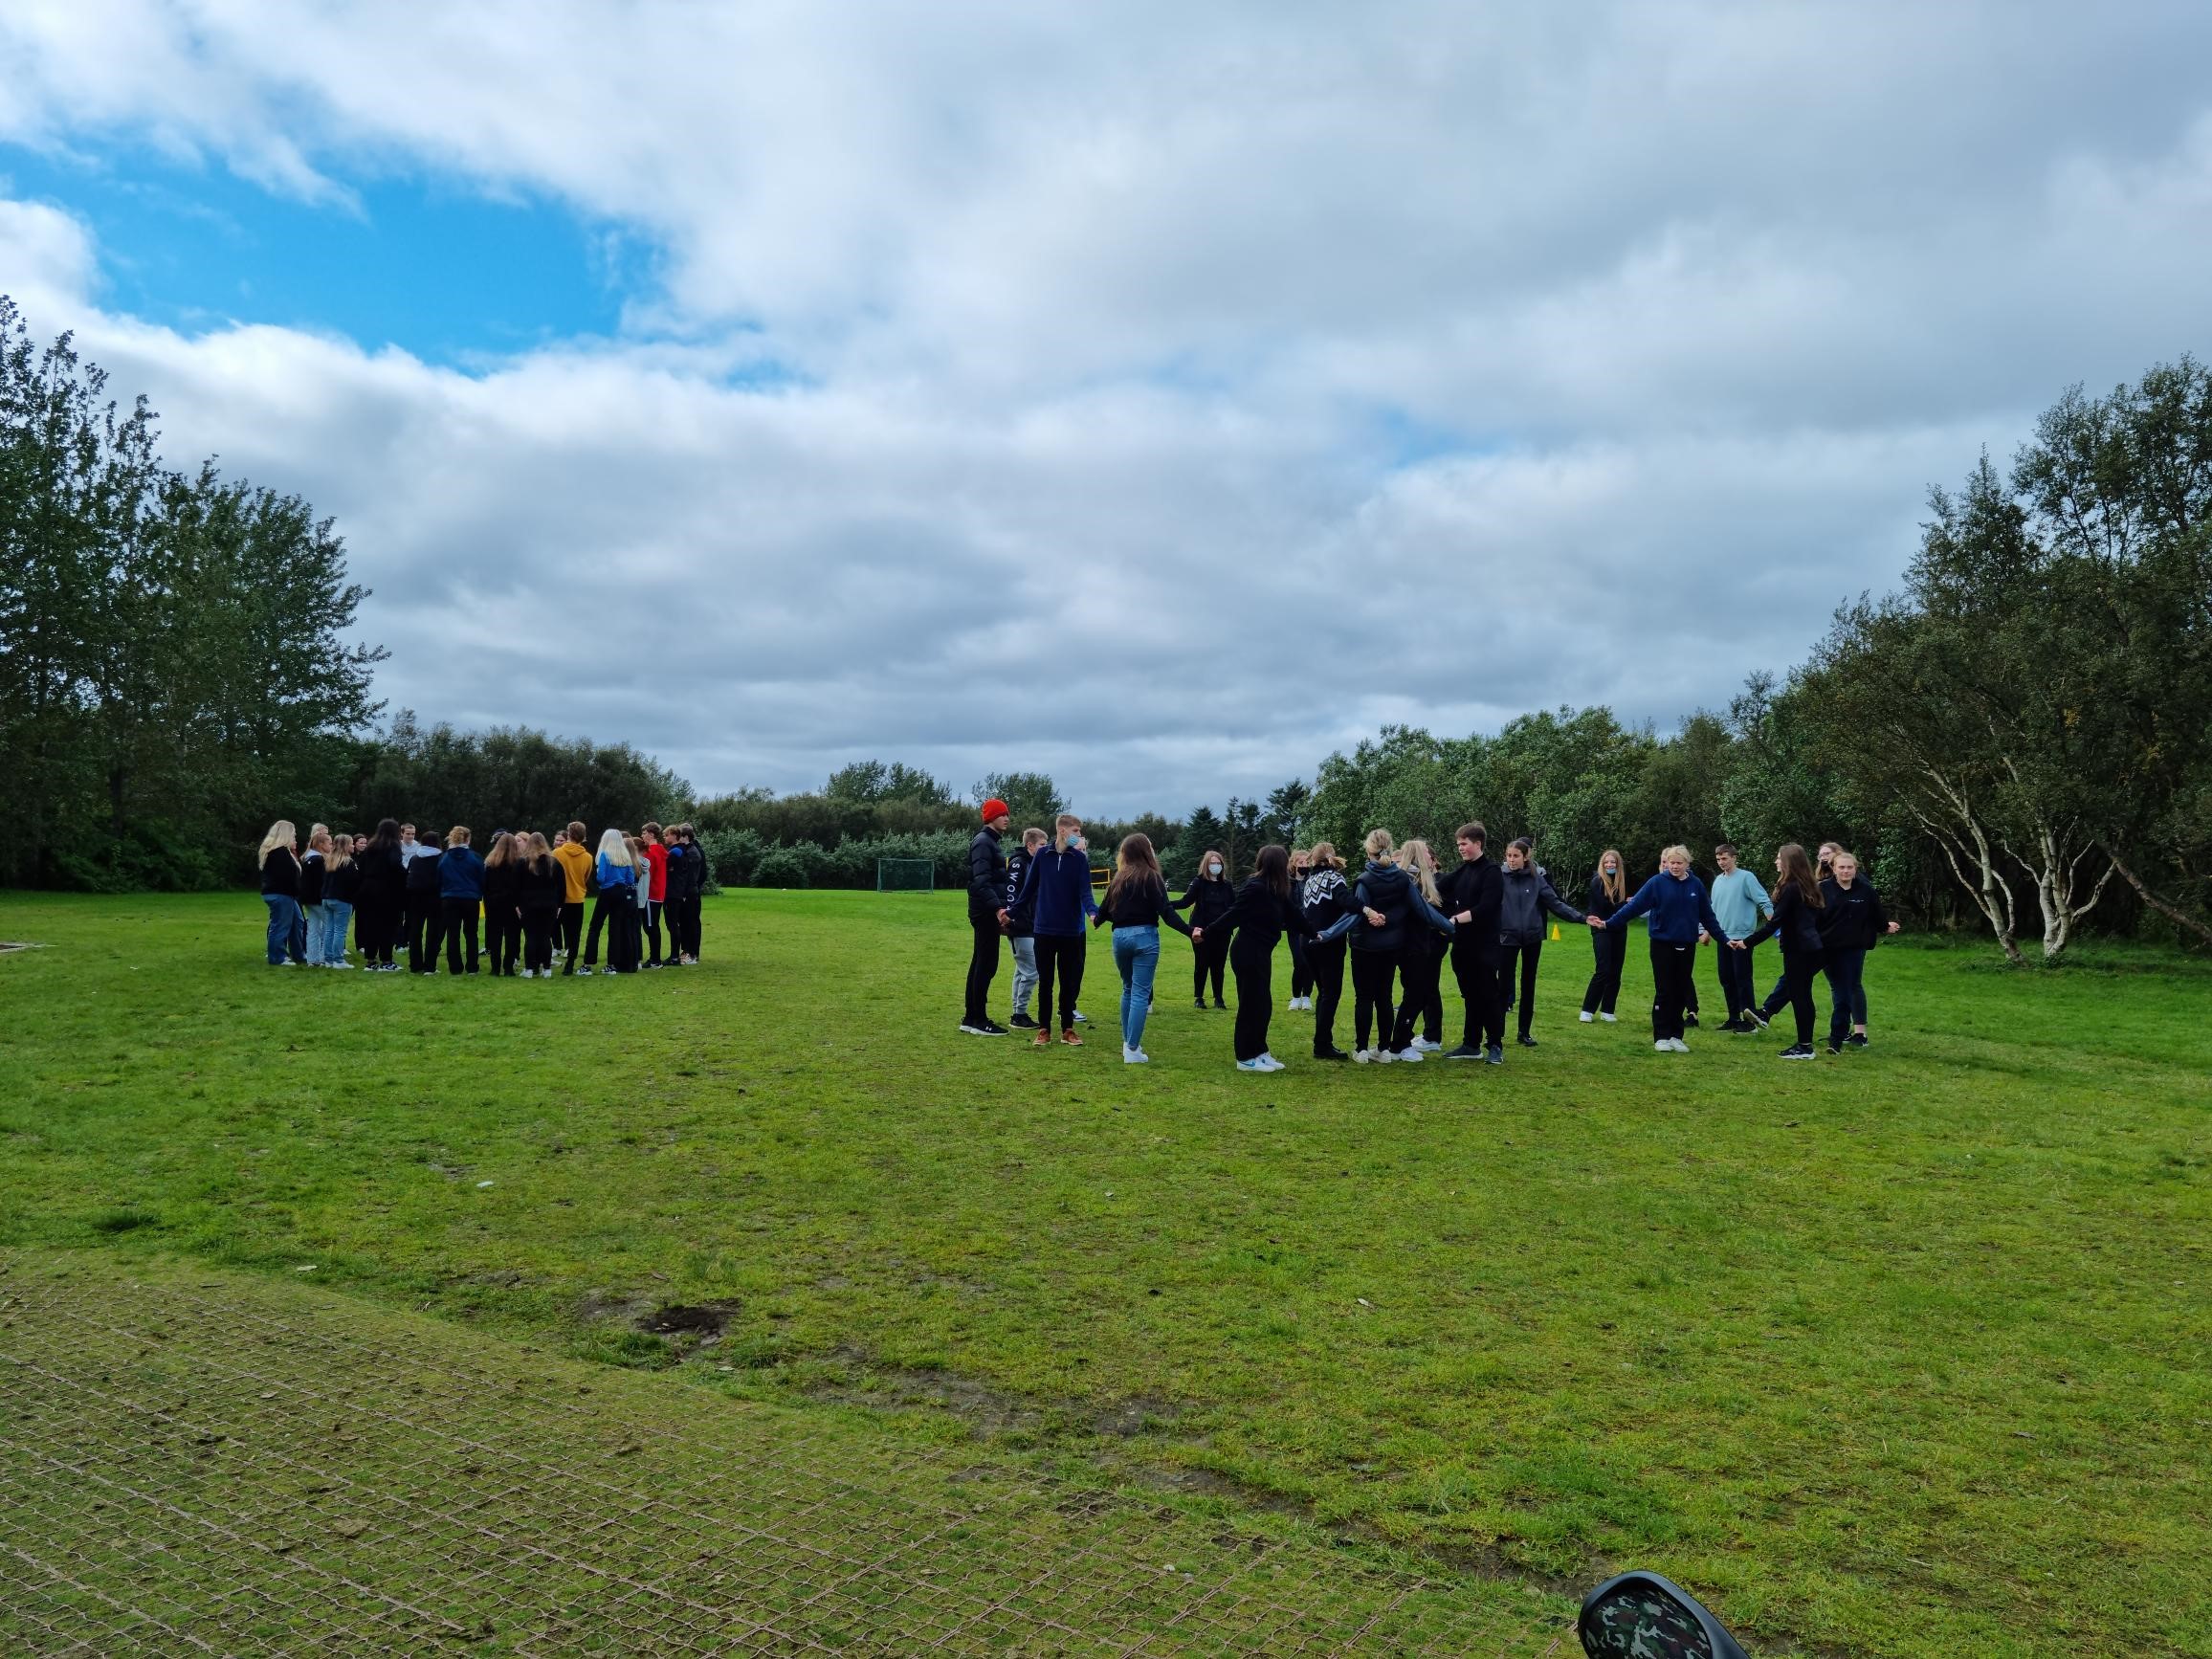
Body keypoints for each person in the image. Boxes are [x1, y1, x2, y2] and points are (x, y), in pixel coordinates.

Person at [1314, 829, 1454, 1063]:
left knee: (1364, 998)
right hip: (1391, 946)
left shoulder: (1365, 880)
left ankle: (1361, 1049)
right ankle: (1384, 1049)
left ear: (1369, 851)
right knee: (1385, 998)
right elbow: (1423, 909)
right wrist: (1449, 926)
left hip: (1364, 946)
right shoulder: (1403, 879)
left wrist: (1327, 933)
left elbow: (1355, 915)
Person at [1588, 845, 1730, 1052]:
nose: (1674, 866)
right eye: (1671, 863)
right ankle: (1661, 1036)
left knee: (1681, 990)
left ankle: (1676, 1036)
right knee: (1664, 990)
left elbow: (1708, 916)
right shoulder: (1657, 883)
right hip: (1662, 944)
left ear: (1687, 864)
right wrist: (1608, 924)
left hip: (1687, 944)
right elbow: (1633, 907)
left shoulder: (1696, 885)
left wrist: (1725, 940)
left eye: (1679, 863)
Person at [1198, 845, 1306, 1071]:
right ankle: (1245, 1057)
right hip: (1247, 951)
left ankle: (1259, 1050)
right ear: (1277, 864)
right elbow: (1233, 914)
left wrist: (1315, 933)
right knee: (1250, 1004)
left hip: (1262, 952)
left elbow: (1294, 914)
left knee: (1263, 1004)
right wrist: (1206, 933)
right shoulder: (1255, 887)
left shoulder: (1277, 888)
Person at [1089, 832, 1194, 1062]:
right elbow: (1166, 912)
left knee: (1127, 989)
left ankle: (1127, 1042)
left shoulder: (1118, 879)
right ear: (1146, 851)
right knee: (1140, 993)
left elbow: (1103, 911)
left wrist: (1096, 920)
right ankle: (1132, 1048)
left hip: (1120, 937)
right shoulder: (1152, 877)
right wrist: (1190, 931)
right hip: (1144, 936)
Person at [1008, 813, 1095, 1046]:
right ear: (1062, 831)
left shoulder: (1079, 859)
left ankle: (1068, 1029)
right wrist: (1012, 913)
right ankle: (1044, 1029)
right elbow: (1028, 889)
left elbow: (1085, 892)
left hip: (1071, 931)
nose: (1079, 835)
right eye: (1076, 831)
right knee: (1045, 983)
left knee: (1068, 983)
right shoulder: (1042, 856)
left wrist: (1093, 912)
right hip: (1044, 930)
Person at [1738, 843, 1827, 1059]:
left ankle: (1805, 1047)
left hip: (1799, 949)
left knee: (1800, 997)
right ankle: (1804, 1045)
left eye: (1779, 857)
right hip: (1811, 948)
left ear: (1789, 862)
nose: (1776, 861)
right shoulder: (1808, 885)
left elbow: (1774, 923)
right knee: (1801, 995)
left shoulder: (1791, 888)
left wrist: (1747, 942)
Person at [1495, 837, 1585, 1046]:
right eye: (1509, 856)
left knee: (1528, 985)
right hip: (1506, 937)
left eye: (1516, 856)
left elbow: (1556, 904)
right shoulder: (1499, 877)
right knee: (1503, 986)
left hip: (1532, 938)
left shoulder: (1537, 879)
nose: (1511, 860)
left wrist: (1581, 918)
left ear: (1525, 857)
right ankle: (1496, 1033)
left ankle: (1524, 1032)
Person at [1439, 823, 1506, 1063]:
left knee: (1488, 994)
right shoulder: (1463, 871)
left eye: (1464, 844)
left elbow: (1487, 907)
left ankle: (1495, 1044)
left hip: (1484, 946)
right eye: (1458, 844)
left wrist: (1455, 919)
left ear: (1478, 843)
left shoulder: (1492, 872)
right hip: (1462, 946)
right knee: (1470, 995)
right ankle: (1471, 1044)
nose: (1460, 848)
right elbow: (1437, 888)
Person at [1820, 850, 1898, 1051]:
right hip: (1827, 946)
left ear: (1855, 869)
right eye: (1841, 867)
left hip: (1854, 948)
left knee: (1850, 987)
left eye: (1849, 867)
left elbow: (1877, 914)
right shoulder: (1823, 889)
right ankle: (1841, 1032)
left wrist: (1886, 926)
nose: (1845, 871)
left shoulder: (1865, 891)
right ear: (1834, 869)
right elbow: (1813, 916)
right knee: (1837, 987)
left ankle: (1853, 1034)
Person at [1297, 842, 1357, 1060]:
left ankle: (1322, 1042)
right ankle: (1322, 1044)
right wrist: (1366, 908)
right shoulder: (1334, 878)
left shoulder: (1310, 880)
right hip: (1328, 943)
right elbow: (1346, 901)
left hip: (1308, 941)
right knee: (1331, 994)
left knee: (1323, 992)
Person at [1390, 839, 1450, 1054]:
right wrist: (1449, 927)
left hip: (1419, 943)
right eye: (1425, 851)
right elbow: (1424, 914)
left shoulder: (1414, 880)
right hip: (1414, 945)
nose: (1429, 854)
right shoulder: (1410, 881)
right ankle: (1401, 1043)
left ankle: (1408, 1039)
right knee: (1417, 994)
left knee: (1420, 992)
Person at [1708, 842, 1774, 1031]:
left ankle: (1749, 1022)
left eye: (1724, 858)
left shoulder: (1746, 877)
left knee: (1742, 978)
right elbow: (1713, 909)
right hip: (1723, 937)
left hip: (1742, 938)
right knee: (1726, 978)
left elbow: (1764, 901)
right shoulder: (1718, 881)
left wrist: (1774, 926)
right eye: (1718, 859)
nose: (1721, 862)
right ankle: (1734, 1018)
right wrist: (1707, 932)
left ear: (1734, 858)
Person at [962, 799, 1014, 1035]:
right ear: (991, 817)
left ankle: (970, 1017)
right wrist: (998, 909)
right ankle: (978, 1020)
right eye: (1002, 814)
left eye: (1007, 814)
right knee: (985, 964)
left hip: (985, 910)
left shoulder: (990, 842)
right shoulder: (984, 842)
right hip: (984, 912)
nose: (1007, 818)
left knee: (980, 963)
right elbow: (982, 880)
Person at [1169, 850, 1236, 1008]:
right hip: (1200, 931)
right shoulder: (1198, 882)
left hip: (1222, 931)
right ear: (1206, 865)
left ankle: (1218, 998)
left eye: (1218, 863)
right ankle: (1199, 997)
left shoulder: (1227, 885)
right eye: (1213, 863)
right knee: (1201, 963)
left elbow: (1234, 907)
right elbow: (1185, 902)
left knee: (1219, 965)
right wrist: (1165, 905)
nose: (1216, 866)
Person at [575, 828, 636, 974]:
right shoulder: (625, 857)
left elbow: (601, 878)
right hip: (621, 892)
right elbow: (630, 879)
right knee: (615, 929)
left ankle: (588, 964)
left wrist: (601, 876)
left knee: (595, 927)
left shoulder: (605, 855)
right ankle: (612, 965)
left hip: (607, 891)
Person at [1580, 848, 1630, 1024]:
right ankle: (1587, 1010)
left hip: (1619, 929)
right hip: (1601, 928)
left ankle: (1608, 1010)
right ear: (1602, 864)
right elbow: (1605, 906)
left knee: (1616, 970)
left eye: (1613, 862)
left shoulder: (1622, 881)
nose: (1609, 865)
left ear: (1618, 864)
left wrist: (1626, 905)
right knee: (1603, 969)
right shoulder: (1597, 882)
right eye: (1606, 862)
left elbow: (1623, 906)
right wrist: (1626, 904)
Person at [1005, 827, 1049, 1029]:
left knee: (1022, 971)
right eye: (1042, 844)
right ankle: (1019, 1014)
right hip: (1021, 926)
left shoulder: (1033, 863)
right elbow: (1011, 894)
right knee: (1032, 971)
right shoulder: (1018, 863)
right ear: (1030, 845)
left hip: (1032, 924)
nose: (1045, 848)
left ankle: (1018, 1013)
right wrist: (1014, 920)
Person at [353, 819, 408, 970]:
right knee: (388, 926)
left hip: (367, 890)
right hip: (386, 890)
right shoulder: (393, 845)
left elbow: (361, 868)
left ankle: (371, 961)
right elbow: (395, 864)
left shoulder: (371, 846)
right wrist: (406, 875)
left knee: (371, 925)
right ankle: (386, 961)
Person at [437, 825, 486, 974]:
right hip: (471, 899)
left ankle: (455, 967)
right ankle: (472, 967)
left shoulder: (444, 858)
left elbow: (439, 878)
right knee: (471, 934)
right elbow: (482, 878)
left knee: (453, 934)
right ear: (467, 839)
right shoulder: (475, 857)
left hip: (450, 898)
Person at [517, 831, 565, 977]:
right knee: (545, 937)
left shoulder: (522, 863)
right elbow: (562, 887)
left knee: (530, 937)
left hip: (528, 905)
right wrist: (559, 905)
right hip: (549, 904)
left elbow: (515, 886)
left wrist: (516, 904)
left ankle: (529, 969)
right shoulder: (554, 863)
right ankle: (547, 969)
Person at [257, 820, 305, 966]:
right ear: (286, 835)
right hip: (281, 894)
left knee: (297, 921)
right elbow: (286, 877)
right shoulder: (280, 853)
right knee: (280, 926)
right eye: (293, 835)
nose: (295, 838)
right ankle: (277, 957)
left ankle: (298, 954)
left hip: (283, 894)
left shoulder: (277, 852)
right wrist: (298, 890)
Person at [480, 831, 523, 976]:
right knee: (512, 936)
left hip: (494, 902)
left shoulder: (490, 863)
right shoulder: (519, 864)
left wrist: (487, 903)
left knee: (495, 936)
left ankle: (495, 968)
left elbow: (485, 886)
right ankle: (508, 968)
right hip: (512, 904)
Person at [404, 830, 447, 971]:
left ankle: (415, 965)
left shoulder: (415, 858)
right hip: (435, 898)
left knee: (415, 932)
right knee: (433, 932)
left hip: (415, 898)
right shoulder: (441, 858)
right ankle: (430, 966)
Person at [554, 822, 593, 965]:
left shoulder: (556, 853)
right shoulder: (588, 857)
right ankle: (570, 964)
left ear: (569, 834)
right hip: (577, 898)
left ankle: (549, 956)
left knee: (553, 928)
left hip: (559, 900)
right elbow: (585, 877)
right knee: (574, 933)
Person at [319, 833, 358, 967]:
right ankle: (338, 960)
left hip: (327, 898)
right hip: (342, 899)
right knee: (340, 931)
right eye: (351, 843)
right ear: (346, 846)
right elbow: (353, 882)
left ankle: (328, 959)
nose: (353, 846)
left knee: (329, 930)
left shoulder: (329, 860)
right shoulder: (348, 862)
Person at [1287, 849, 1316, 1011]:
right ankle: (1296, 997)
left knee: (1309, 962)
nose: (1304, 865)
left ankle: (1307, 997)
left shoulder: (1313, 880)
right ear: (1294, 863)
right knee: (1299, 962)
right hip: (1294, 928)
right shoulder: (1287, 883)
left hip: (1310, 927)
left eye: (1307, 862)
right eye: (1301, 862)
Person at [638, 822, 670, 967]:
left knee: (650, 927)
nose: (642, 836)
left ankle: (655, 960)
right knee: (652, 926)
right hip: (657, 893)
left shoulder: (652, 852)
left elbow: (647, 874)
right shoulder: (661, 850)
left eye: (644, 833)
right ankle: (654, 958)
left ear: (651, 834)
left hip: (651, 894)